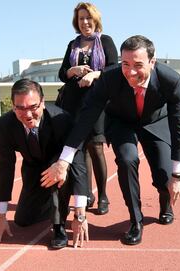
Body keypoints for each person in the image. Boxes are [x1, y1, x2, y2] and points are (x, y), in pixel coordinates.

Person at [42, 35, 180, 246]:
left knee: (163, 175)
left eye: (138, 65)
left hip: (155, 121)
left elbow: (179, 125)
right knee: (127, 160)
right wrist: (64, 160)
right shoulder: (109, 78)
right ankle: (135, 221)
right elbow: (86, 118)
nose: (131, 72)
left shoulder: (171, 80)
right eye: (125, 64)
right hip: (122, 122)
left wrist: (177, 175)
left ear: (152, 62)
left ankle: (165, 201)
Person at [0, 79, 89, 249]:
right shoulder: (5, 124)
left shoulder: (61, 119)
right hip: (33, 169)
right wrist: (0, 216)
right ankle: (51, 202)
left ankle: (59, 227)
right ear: (13, 106)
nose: (27, 115)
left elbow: (78, 160)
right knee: (22, 220)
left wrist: (80, 213)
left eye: (33, 107)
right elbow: (5, 167)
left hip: (60, 166)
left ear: (42, 103)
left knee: (56, 170)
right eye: (20, 108)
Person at [57, 2, 118, 215]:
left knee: (96, 147)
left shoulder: (106, 41)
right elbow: (62, 72)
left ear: (95, 19)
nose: (85, 23)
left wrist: (95, 74)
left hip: (98, 101)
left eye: (88, 18)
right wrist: (72, 70)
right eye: (81, 19)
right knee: (80, 151)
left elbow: (114, 68)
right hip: (74, 102)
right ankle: (87, 193)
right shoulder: (72, 44)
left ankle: (103, 195)